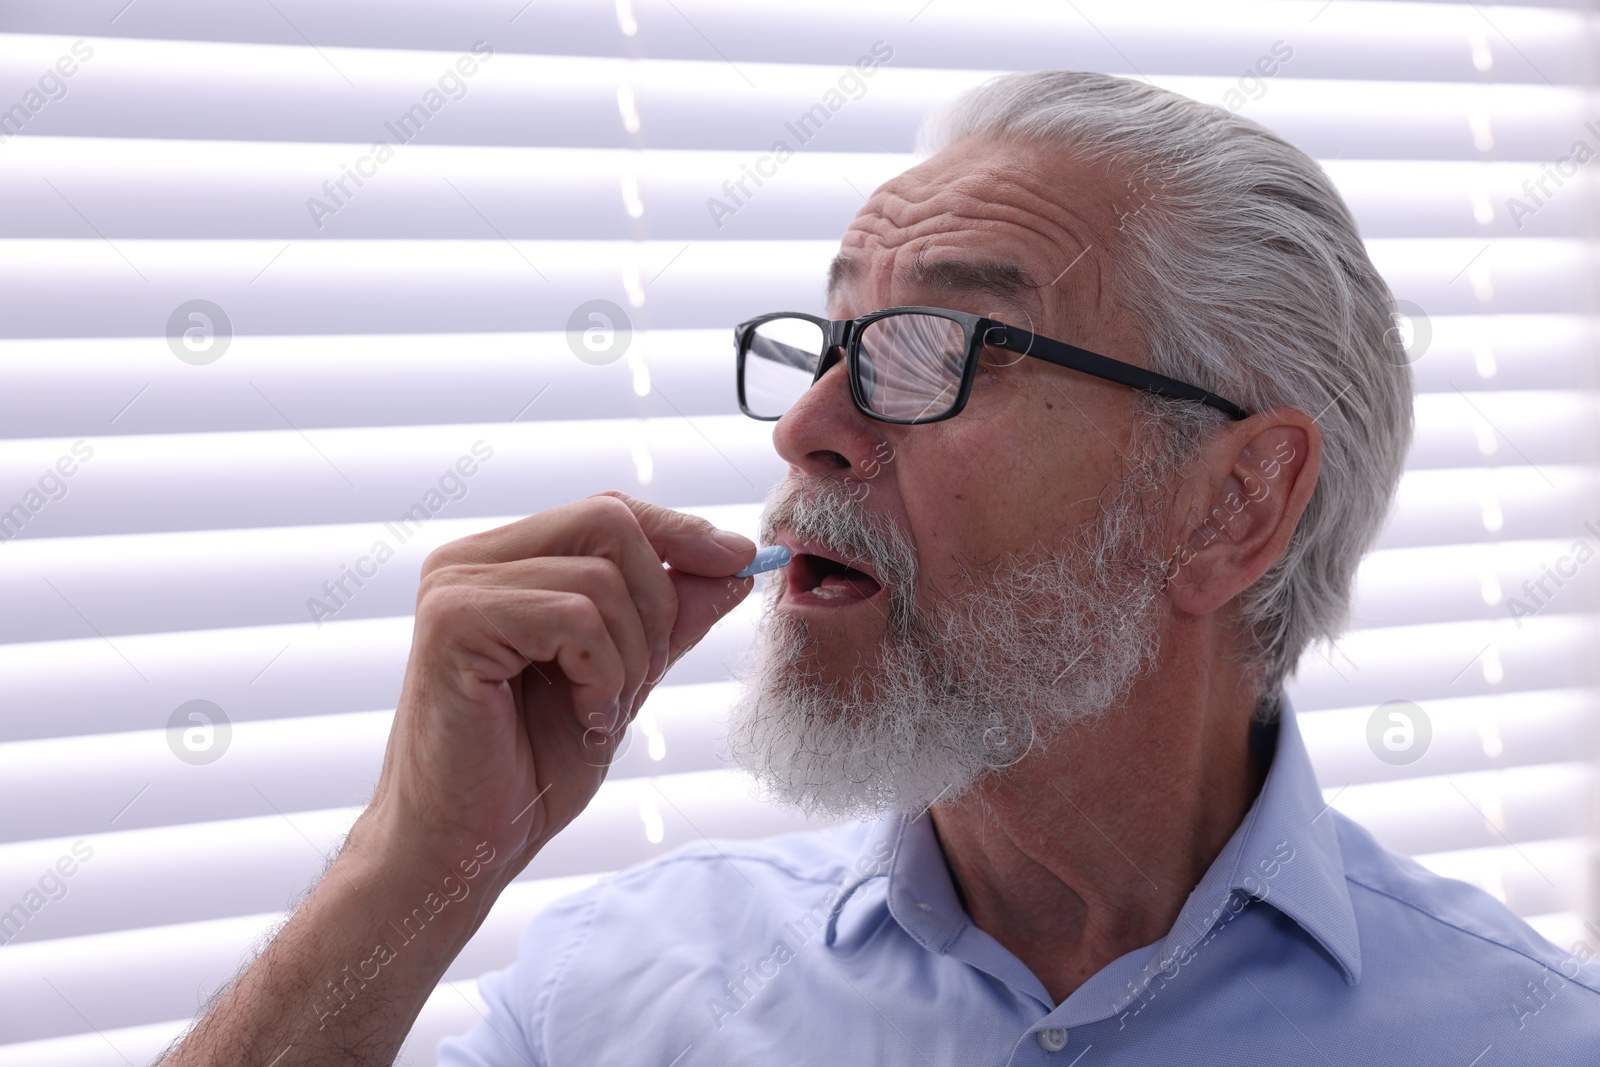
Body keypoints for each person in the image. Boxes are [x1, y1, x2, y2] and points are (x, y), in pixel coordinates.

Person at [160, 71, 1599, 1066]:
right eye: (833, 340)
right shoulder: (612, 1000)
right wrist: (419, 867)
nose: (806, 428)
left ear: (1232, 502)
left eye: (935, 351)